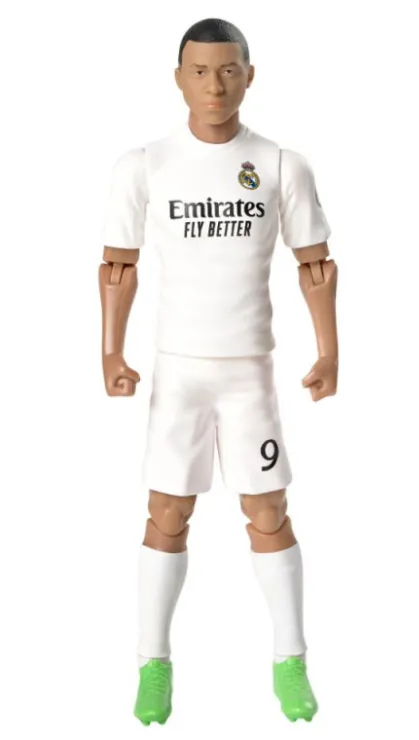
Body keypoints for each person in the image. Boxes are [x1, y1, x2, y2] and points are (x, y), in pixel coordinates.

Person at [99, 17, 338, 725]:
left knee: (268, 511)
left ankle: (291, 660)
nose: (214, 85)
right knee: (167, 512)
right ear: (179, 78)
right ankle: (152, 664)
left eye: (228, 70)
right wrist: (110, 351)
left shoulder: (280, 164)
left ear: (249, 76)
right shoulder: (144, 165)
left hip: (249, 372)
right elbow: (118, 265)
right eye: (200, 71)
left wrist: (328, 350)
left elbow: (315, 264)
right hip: (179, 372)